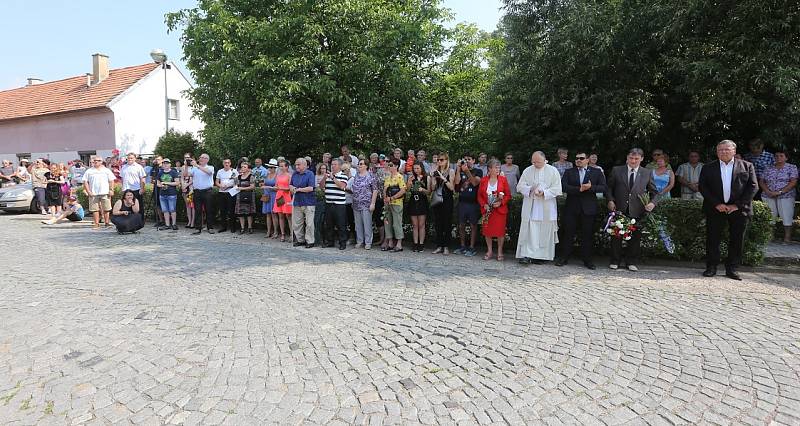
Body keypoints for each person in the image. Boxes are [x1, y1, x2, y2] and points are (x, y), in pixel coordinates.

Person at [699, 140, 758, 280]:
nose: (723, 152)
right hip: (716, 208)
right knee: (713, 239)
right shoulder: (708, 167)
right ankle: (711, 267)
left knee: (737, 239)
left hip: (739, 209)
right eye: (720, 150)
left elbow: (753, 186)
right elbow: (703, 187)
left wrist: (737, 205)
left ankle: (732, 269)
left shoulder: (747, 166)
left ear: (734, 151)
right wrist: (716, 204)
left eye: (726, 149)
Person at [606, 148, 658, 271]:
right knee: (616, 237)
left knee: (635, 238)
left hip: (638, 209)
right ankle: (615, 260)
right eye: (631, 158)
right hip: (619, 208)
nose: (633, 161)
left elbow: (655, 192)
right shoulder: (617, 170)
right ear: (627, 158)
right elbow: (608, 188)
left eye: (636, 159)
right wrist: (610, 200)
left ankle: (631, 262)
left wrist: (652, 203)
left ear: (642, 159)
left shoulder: (647, 172)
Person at [556, 151, 607, 269]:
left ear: (587, 160)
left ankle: (587, 260)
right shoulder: (569, 172)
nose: (578, 160)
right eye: (577, 158)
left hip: (588, 209)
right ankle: (564, 257)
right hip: (572, 208)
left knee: (587, 235)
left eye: (581, 158)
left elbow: (603, 187)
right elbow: (563, 186)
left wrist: (590, 187)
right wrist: (579, 189)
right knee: (568, 234)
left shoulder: (596, 172)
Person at [516, 152, 562, 264]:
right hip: (531, 207)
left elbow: (557, 188)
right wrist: (530, 188)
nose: (535, 164)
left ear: (544, 160)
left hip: (546, 207)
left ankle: (542, 256)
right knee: (530, 230)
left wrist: (544, 192)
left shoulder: (552, 171)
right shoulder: (528, 170)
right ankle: (526, 255)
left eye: (538, 162)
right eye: (533, 161)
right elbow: (519, 186)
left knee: (544, 231)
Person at [759, 149, 797, 244]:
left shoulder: (791, 167)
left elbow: (793, 182)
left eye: (781, 156)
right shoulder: (768, 168)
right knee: (770, 216)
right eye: (776, 156)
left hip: (786, 196)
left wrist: (780, 192)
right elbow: (761, 181)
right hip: (768, 195)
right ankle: (770, 236)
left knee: (786, 216)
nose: (778, 158)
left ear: (786, 158)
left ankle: (787, 238)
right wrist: (767, 191)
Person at [478, 159, 512, 261]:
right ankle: (489, 251)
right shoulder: (483, 180)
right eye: (495, 167)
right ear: (489, 169)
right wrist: (484, 204)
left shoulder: (503, 179)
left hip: (499, 211)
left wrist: (500, 202)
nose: (498, 169)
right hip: (487, 211)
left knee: (500, 232)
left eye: (499, 167)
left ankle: (500, 251)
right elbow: (479, 196)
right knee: (487, 231)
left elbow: (508, 195)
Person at [454, 154, 483, 256]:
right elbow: (456, 183)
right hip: (462, 202)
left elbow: (475, 183)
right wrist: (458, 169)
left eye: (469, 159)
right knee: (461, 225)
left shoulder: (478, 171)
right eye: (465, 159)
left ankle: (471, 247)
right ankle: (462, 246)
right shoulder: (461, 170)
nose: (467, 161)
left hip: (473, 203)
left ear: (474, 160)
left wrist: (467, 171)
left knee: (473, 225)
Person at [349, 159, 379, 249]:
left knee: (367, 223)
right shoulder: (356, 176)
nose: (359, 165)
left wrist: (373, 203)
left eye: (361, 164)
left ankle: (368, 242)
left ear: (366, 166)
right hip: (356, 203)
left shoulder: (371, 176)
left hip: (367, 203)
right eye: (358, 164)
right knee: (358, 224)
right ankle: (360, 241)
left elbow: (375, 190)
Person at [430, 152, 456, 255]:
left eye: (442, 160)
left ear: (446, 161)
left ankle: (446, 246)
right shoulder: (436, 171)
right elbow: (432, 188)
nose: (439, 161)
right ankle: (439, 246)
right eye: (438, 160)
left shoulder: (451, 171)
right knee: (438, 223)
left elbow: (452, 187)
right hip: (437, 199)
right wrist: (433, 177)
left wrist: (443, 178)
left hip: (447, 199)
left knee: (447, 223)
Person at [82, 156, 116, 230]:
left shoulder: (106, 170)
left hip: (105, 192)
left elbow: (111, 181)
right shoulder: (89, 171)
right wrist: (88, 191)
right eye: (94, 161)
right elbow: (85, 182)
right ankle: (96, 224)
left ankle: (107, 223)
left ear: (101, 161)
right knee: (95, 209)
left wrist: (111, 190)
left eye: (98, 160)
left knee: (106, 208)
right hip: (93, 193)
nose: (96, 162)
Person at [289, 158, 316, 248]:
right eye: (296, 165)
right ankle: (300, 240)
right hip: (297, 201)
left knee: (309, 223)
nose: (296, 166)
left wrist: (299, 189)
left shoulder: (310, 174)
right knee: (297, 223)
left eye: (298, 165)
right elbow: (290, 184)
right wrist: (292, 188)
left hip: (308, 202)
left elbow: (311, 188)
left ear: (304, 165)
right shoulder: (294, 174)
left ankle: (310, 241)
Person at [324, 159, 350, 250]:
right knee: (329, 224)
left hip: (339, 204)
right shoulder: (328, 175)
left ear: (340, 166)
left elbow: (342, 186)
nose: (332, 166)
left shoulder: (343, 176)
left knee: (341, 224)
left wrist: (333, 178)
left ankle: (342, 243)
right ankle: (330, 242)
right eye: (332, 164)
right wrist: (324, 177)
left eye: (335, 164)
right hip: (328, 203)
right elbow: (321, 186)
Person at [382, 158, 406, 252]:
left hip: (396, 203)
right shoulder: (388, 177)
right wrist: (385, 198)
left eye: (391, 165)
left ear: (396, 166)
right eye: (389, 165)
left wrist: (392, 198)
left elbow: (403, 190)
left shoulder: (399, 177)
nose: (389, 166)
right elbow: (385, 189)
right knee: (387, 223)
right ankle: (390, 242)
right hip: (388, 203)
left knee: (397, 223)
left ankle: (399, 244)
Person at [406, 163, 430, 252]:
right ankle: (415, 243)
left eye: (417, 168)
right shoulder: (412, 178)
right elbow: (407, 190)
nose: (416, 170)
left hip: (422, 201)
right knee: (415, 225)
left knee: (421, 224)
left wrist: (423, 190)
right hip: (413, 201)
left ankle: (421, 243)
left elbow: (429, 191)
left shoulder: (426, 178)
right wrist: (409, 182)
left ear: (421, 168)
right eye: (414, 168)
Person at [190, 154, 216, 234]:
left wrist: (197, 166)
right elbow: (188, 175)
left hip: (207, 191)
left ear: (207, 160)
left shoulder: (210, 167)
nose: (201, 159)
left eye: (203, 158)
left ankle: (210, 227)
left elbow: (209, 172)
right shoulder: (194, 168)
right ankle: (198, 228)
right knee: (198, 210)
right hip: (197, 191)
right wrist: (185, 166)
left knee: (209, 210)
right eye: (200, 157)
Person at [120, 153, 147, 221]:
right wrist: (122, 187)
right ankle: (129, 220)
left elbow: (142, 178)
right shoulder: (124, 167)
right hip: (126, 189)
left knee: (138, 206)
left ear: (135, 159)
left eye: (131, 158)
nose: (130, 159)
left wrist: (142, 188)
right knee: (127, 205)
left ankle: (140, 220)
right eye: (128, 158)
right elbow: (122, 178)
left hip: (136, 189)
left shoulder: (139, 167)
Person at [156, 159, 180, 231]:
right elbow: (157, 183)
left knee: (172, 209)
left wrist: (166, 183)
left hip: (171, 193)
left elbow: (177, 183)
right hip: (162, 194)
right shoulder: (160, 173)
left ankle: (174, 224)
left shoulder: (173, 172)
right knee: (165, 210)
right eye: (164, 163)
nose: (165, 164)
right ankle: (167, 224)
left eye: (167, 163)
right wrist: (161, 185)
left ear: (170, 164)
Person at [215, 159, 239, 233]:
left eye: (228, 162)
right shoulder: (220, 171)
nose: (226, 164)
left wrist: (228, 186)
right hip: (222, 192)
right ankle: (223, 227)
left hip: (230, 192)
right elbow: (216, 182)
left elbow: (236, 182)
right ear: (223, 163)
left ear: (230, 163)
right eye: (225, 163)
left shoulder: (234, 171)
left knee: (231, 210)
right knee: (222, 211)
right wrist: (220, 186)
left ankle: (233, 227)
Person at [273, 159, 294, 242]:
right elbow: (276, 186)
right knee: (280, 216)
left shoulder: (289, 175)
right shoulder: (278, 176)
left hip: (286, 196)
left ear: (287, 167)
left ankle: (292, 234)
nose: (281, 168)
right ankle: (282, 234)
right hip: (279, 196)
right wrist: (274, 188)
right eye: (280, 166)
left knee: (288, 216)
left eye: (282, 166)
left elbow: (290, 188)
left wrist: (280, 188)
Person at [234, 162, 257, 234]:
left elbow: (252, 186)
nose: (242, 168)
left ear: (248, 169)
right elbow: (236, 186)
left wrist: (242, 188)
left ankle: (250, 227)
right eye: (242, 167)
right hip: (240, 196)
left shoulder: (251, 176)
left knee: (249, 213)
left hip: (249, 195)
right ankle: (242, 228)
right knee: (241, 213)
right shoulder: (238, 177)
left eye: (244, 167)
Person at [260, 159, 279, 238]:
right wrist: (262, 184)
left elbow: (277, 188)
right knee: (268, 214)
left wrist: (267, 186)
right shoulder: (267, 175)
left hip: (273, 195)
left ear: (274, 168)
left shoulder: (277, 176)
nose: (270, 169)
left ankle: (276, 232)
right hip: (266, 195)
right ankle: (268, 231)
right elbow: (263, 183)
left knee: (274, 214)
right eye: (269, 167)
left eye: (271, 167)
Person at [313, 163, 328, 244]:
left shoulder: (328, 176)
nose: (323, 170)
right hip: (318, 199)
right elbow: (316, 187)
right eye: (322, 168)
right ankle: (317, 238)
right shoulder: (316, 177)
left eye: (324, 168)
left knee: (324, 220)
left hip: (326, 199)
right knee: (317, 220)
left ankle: (325, 239)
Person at [149, 156, 164, 226]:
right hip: (156, 188)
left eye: (158, 159)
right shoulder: (154, 168)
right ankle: (160, 220)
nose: (157, 161)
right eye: (156, 159)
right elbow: (151, 179)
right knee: (157, 204)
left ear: (162, 160)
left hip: (164, 188)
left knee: (164, 204)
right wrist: (154, 181)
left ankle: (167, 220)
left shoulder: (164, 168)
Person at [181, 156, 195, 228]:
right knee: (188, 206)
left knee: (193, 206)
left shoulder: (195, 167)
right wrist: (183, 186)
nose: (187, 159)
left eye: (188, 158)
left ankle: (193, 222)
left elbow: (194, 178)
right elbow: (182, 177)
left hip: (192, 188)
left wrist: (187, 185)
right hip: (185, 189)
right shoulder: (183, 167)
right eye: (186, 158)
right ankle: (189, 221)